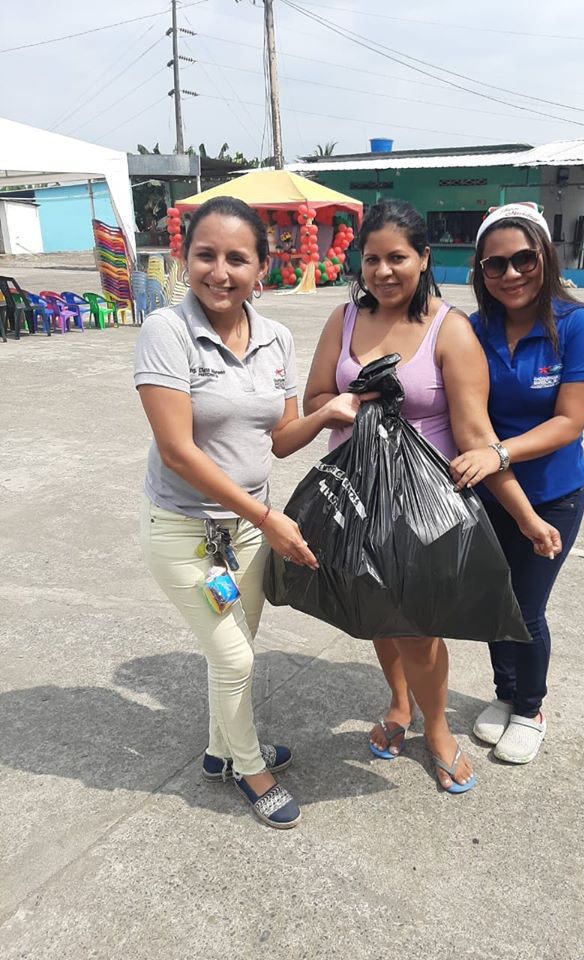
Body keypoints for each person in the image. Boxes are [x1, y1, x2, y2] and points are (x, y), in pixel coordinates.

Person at [303, 199, 561, 793]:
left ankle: (438, 729)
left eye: (397, 257)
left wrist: (525, 517)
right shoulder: (343, 318)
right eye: (371, 259)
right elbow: (315, 398)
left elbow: (475, 435)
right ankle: (400, 704)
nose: (383, 271)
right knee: (374, 612)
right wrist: (343, 406)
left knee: (419, 629)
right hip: (356, 495)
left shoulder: (452, 329)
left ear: (423, 258)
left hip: (424, 506)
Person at [134, 196, 372, 829]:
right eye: (205, 255)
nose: (219, 272)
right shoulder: (166, 330)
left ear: (261, 268)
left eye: (236, 258)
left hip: (246, 531)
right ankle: (250, 767)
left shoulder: (276, 338)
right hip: (185, 531)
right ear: (185, 259)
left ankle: (220, 751)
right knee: (236, 657)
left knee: (236, 651)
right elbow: (177, 451)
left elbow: (281, 438)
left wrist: (328, 412)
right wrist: (268, 520)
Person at [450, 202, 584, 765]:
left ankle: (530, 707)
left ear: (546, 256)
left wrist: (497, 452)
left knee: (526, 605)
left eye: (524, 259)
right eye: (495, 265)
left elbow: (569, 421)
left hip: (552, 495)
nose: (511, 274)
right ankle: (505, 692)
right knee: (493, 597)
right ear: (480, 272)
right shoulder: (474, 329)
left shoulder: (580, 326)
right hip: (490, 492)